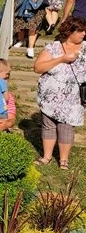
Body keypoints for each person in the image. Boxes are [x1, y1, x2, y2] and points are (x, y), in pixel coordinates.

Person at [33, 16, 86, 170]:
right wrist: (61, 59)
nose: (84, 34)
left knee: (66, 126)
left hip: (73, 97)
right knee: (48, 125)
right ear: (70, 31)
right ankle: (47, 157)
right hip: (50, 96)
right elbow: (38, 68)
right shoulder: (53, 47)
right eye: (80, 31)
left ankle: (63, 160)